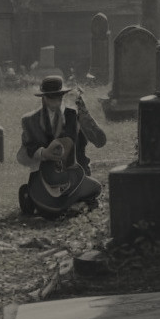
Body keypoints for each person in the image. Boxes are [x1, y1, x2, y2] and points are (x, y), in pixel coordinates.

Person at [18, 77, 106, 217]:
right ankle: (45, 201)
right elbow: (26, 151)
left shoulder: (74, 115)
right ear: (43, 97)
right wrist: (44, 153)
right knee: (48, 205)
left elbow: (100, 141)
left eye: (59, 96)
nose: (56, 101)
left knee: (94, 188)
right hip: (45, 175)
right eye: (51, 97)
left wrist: (84, 114)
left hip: (75, 175)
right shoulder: (30, 120)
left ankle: (68, 203)